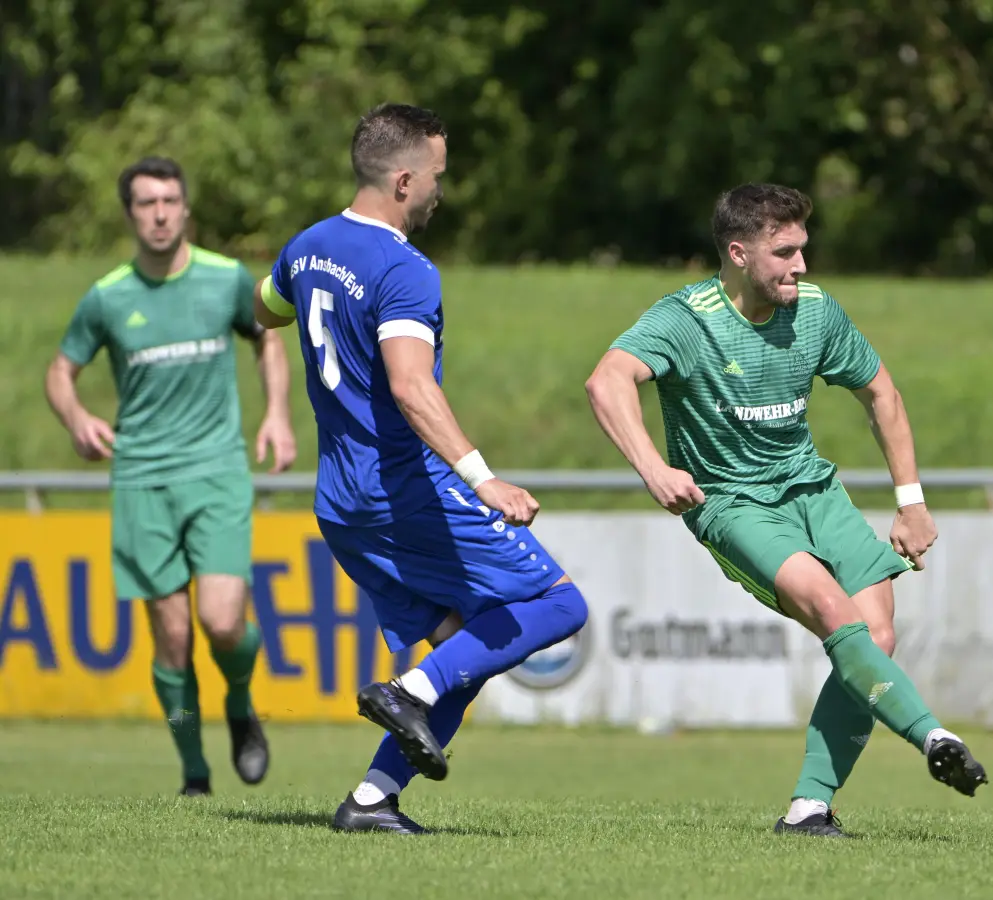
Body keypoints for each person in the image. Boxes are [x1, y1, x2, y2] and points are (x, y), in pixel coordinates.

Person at [585, 183, 987, 838]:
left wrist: (910, 502)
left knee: (877, 636)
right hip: (736, 504)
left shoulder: (816, 312)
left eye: (804, 249)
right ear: (739, 253)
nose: (801, 265)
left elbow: (881, 393)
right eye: (785, 252)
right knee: (834, 610)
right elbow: (606, 380)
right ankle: (933, 737)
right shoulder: (686, 319)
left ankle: (808, 808)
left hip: (812, 489)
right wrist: (654, 468)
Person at [252, 103, 589, 834]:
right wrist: (483, 478)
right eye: (437, 175)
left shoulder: (306, 246)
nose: (442, 189)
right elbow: (410, 385)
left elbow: (265, 310)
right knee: (561, 607)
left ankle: (372, 800)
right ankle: (407, 691)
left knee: (469, 645)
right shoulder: (405, 271)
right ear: (404, 179)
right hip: (404, 489)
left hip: (341, 501)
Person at [45, 156, 295, 798]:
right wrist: (75, 417)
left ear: (186, 208)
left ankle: (240, 705)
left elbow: (268, 337)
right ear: (130, 213)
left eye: (169, 201)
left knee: (219, 622)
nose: (159, 213)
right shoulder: (109, 296)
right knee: (173, 637)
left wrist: (276, 414)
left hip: (215, 473)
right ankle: (194, 771)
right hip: (141, 481)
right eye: (146, 203)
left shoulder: (224, 278)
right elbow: (59, 371)